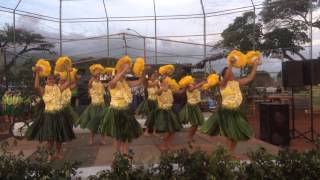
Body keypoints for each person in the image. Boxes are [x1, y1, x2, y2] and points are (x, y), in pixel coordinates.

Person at [201, 56, 261, 157]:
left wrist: (255, 65)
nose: (231, 74)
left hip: (236, 111)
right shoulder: (222, 84)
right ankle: (228, 154)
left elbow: (250, 78)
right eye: (229, 73)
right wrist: (231, 64)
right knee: (230, 135)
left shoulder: (237, 82)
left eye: (232, 73)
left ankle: (229, 153)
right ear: (225, 76)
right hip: (226, 111)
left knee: (234, 135)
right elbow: (227, 75)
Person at [26, 64, 75, 161]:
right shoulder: (43, 90)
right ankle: (50, 154)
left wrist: (68, 72)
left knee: (59, 137)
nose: (51, 80)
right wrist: (36, 73)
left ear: (54, 80)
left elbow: (69, 82)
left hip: (59, 115)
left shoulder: (59, 88)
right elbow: (36, 86)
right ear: (46, 80)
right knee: (50, 139)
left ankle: (58, 153)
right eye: (49, 79)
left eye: (52, 79)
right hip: (49, 116)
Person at [99, 56, 144, 155]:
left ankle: (125, 152)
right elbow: (113, 82)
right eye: (123, 69)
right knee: (117, 136)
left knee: (127, 134)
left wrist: (142, 72)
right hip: (115, 111)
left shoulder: (125, 82)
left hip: (126, 110)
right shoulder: (112, 83)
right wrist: (123, 70)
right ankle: (117, 154)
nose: (125, 71)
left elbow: (140, 82)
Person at [148, 65, 182, 151]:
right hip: (163, 111)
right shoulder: (159, 90)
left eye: (167, 81)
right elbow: (158, 92)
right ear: (161, 83)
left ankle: (169, 144)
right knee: (168, 130)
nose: (166, 82)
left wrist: (184, 87)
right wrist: (162, 87)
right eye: (165, 81)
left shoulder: (170, 88)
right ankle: (163, 144)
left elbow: (179, 91)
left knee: (173, 130)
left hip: (170, 110)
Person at [77, 64, 108, 145]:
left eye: (99, 73)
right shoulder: (91, 83)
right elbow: (89, 84)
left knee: (103, 122)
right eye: (96, 73)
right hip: (94, 106)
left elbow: (107, 86)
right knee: (93, 122)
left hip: (102, 105)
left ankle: (103, 139)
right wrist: (94, 76)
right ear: (93, 74)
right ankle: (91, 139)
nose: (98, 74)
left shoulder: (101, 83)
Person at [179, 76, 207, 143]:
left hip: (196, 106)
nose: (194, 81)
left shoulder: (196, 87)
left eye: (195, 80)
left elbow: (201, 89)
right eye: (193, 80)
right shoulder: (189, 87)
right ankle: (189, 137)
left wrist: (208, 84)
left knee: (196, 124)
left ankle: (191, 137)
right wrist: (202, 82)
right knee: (194, 123)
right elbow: (191, 89)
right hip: (191, 106)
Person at [136, 72, 159, 136]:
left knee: (155, 117)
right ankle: (146, 131)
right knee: (150, 117)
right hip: (150, 102)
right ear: (149, 77)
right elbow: (153, 90)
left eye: (155, 76)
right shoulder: (148, 83)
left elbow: (158, 92)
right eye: (153, 76)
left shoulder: (156, 84)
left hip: (156, 101)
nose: (154, 77)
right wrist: (158, 82)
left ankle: (154, 131)